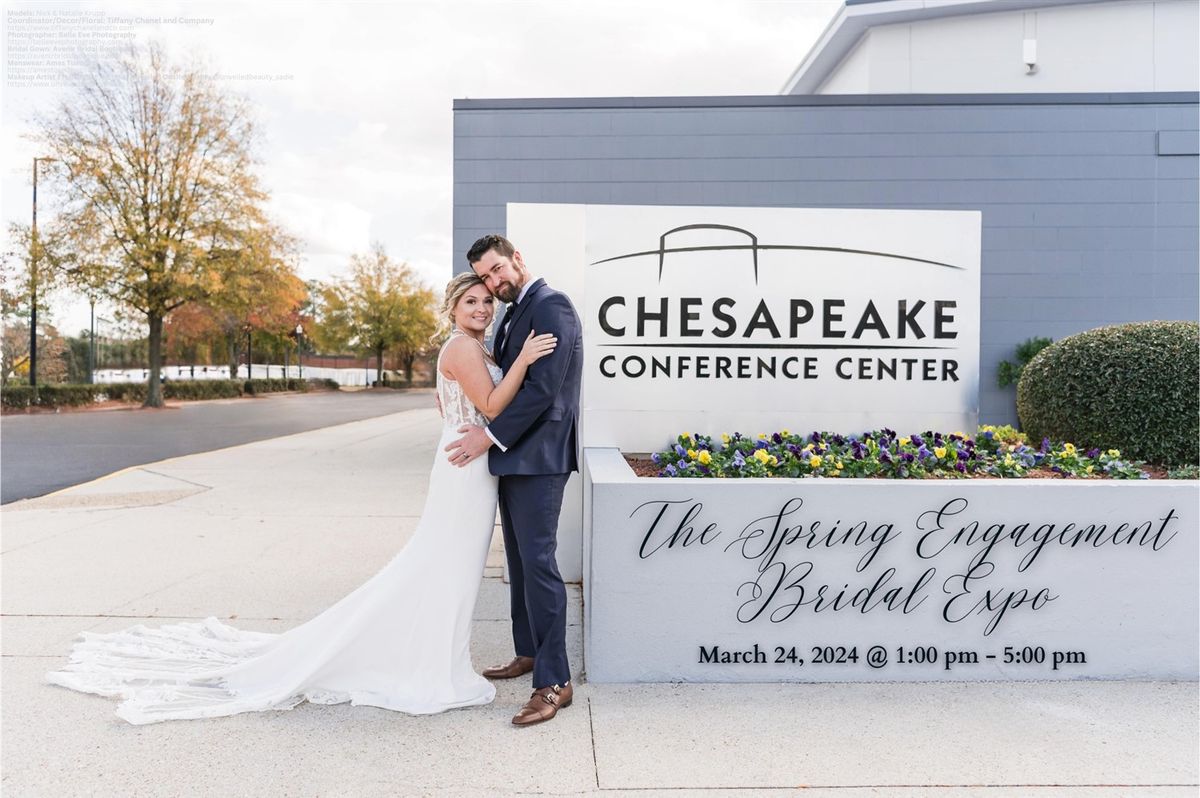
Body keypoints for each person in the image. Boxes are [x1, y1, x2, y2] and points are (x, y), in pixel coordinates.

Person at [44, 272, 556, 725]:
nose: (482, 309)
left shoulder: (474, 346)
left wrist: (473, 414)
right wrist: (525, 362)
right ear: (452, 309)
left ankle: (433, 652)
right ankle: (431, 663)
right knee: (443, 567)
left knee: (445, 567)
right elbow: (490, 403)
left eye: (486, 302)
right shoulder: (463, 348)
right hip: (464, 466)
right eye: (470, 302)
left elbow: (456, 407)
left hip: (466, 459)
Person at [444, 234, 583, 727]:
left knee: (540, 565)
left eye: (498, 270)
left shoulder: (552, 307)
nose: (493, 281)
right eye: (484, 276)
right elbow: (500, 381)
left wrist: (488, 436)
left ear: (517, 258)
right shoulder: (512, 313)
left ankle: (554, 681)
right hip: (513, 459)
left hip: (539, 460)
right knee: (521, 565)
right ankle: (528, 653)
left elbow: (543, 391)